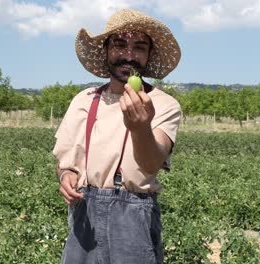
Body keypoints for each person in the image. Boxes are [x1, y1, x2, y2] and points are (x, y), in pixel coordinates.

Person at [53, 9, 181, 264]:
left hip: (134, 216)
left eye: (139, 47)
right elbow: (65, 162)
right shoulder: (84, 101)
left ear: (148, 55)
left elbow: (151, 163)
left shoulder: (163, 104)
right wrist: (66, 176)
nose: (129, 55)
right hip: (84, 217)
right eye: (120, 45)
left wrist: (140, 128)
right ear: (106, 50)